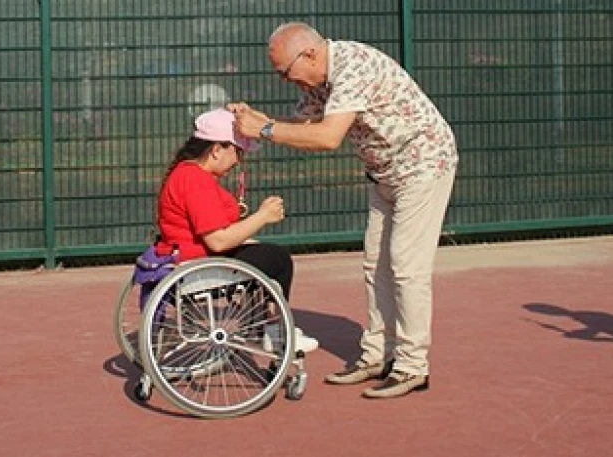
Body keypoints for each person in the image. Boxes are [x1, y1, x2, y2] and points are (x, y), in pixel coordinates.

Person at [230, 22, 458, 399]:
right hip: (385, 170)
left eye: (285, 71)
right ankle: (376, 356)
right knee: (374, 264)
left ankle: (412, 366)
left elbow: (327, 137)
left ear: (311, 54)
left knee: (406, 266)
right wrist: (251, 123)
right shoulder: (317, 79)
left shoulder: (352, 67)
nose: (286, 80)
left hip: (424, 164)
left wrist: (265, 128)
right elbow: (301, 124)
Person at [154, 107, 319, 354]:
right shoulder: (195, 181)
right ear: (217, 149)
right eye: (237, 152)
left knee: (261, 252)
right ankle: (275, 330)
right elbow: (218, 241)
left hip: (188, 261)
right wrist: (262, 216)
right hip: (198, 269)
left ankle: (267, 327)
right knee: (278, 259)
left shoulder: (187, 174)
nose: (239, 161)